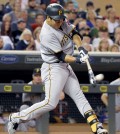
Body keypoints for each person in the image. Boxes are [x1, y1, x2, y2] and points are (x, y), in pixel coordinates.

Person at [7, 3, 108, 134]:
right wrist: (77, 59)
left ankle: (96, 126)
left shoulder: (60, 20)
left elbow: (74, 33)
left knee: (79, 96)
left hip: (65, 67)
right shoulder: (46, 34)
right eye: (57, 19)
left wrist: (81, 48)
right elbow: (61, 56)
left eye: (61, 19)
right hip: (53, 67)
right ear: (48, 17)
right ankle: (16, 117)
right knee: (50, 103)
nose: (60, 21)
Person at [19, 68, 49, 134]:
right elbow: (25, 102)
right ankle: (24, 132)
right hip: (30, 113)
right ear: (33, 77)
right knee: (23, 108)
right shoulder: (28, 86)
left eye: (39, 75)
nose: (38, 77)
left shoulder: (46, 85)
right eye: (36, 76)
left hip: (40, 115)